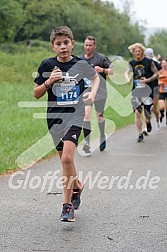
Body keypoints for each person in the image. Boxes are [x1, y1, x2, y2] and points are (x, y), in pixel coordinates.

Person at [34, 26, 99, 222]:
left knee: (66, 159)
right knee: (66, 160)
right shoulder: (47, 65)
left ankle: (67, 205)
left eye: (66, 43)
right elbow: (36, 94)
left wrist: (92, 94)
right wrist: (49, 82)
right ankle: (77, 185)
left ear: (72, 43)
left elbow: (95, 78)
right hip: (54, 118)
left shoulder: (80, 64)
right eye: (58, 44)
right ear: (53, 46)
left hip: (75, 116)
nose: (63, 47)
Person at [80, 36, 113, 154]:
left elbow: (113, 71)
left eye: (90, 45)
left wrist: (103, 70)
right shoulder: (80, 59)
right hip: (86, 91)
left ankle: (102, 135)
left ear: (94, 46)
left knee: (99, 116)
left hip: (100, 92)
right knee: (86, 115)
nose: (88, 47)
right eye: (86, 45)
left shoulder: (101, 58)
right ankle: (87, 143)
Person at [125, 43, 159, 142]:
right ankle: (140, 134)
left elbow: (156, 73)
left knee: (148, 112)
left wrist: (147, 80)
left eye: (139, 51)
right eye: (136, 51)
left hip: (148, 90)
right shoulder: (131, 63)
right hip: (136, 91)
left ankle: (148, 122)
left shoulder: (149, 62)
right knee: (137, 112)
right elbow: (126, 72)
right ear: (133, 53)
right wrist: (127, 79)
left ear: (142, 52)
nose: (138, 53)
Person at [144, 48, 161, 131]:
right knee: (146, 108)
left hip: (155, 87)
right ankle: (146, 126)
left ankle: (158, 121)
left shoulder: (156, 63)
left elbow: (160, 73)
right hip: (147, 87)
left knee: (154, 108)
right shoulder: (143, 63)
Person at [158, 59, 167, 125]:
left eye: (165, 63)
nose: (164, 64)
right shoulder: (159, 72)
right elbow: (156, 81)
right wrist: (159, 82)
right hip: (161, 90)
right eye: (163, 63)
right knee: (161, 107)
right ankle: (162, 114)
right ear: (161, 65)